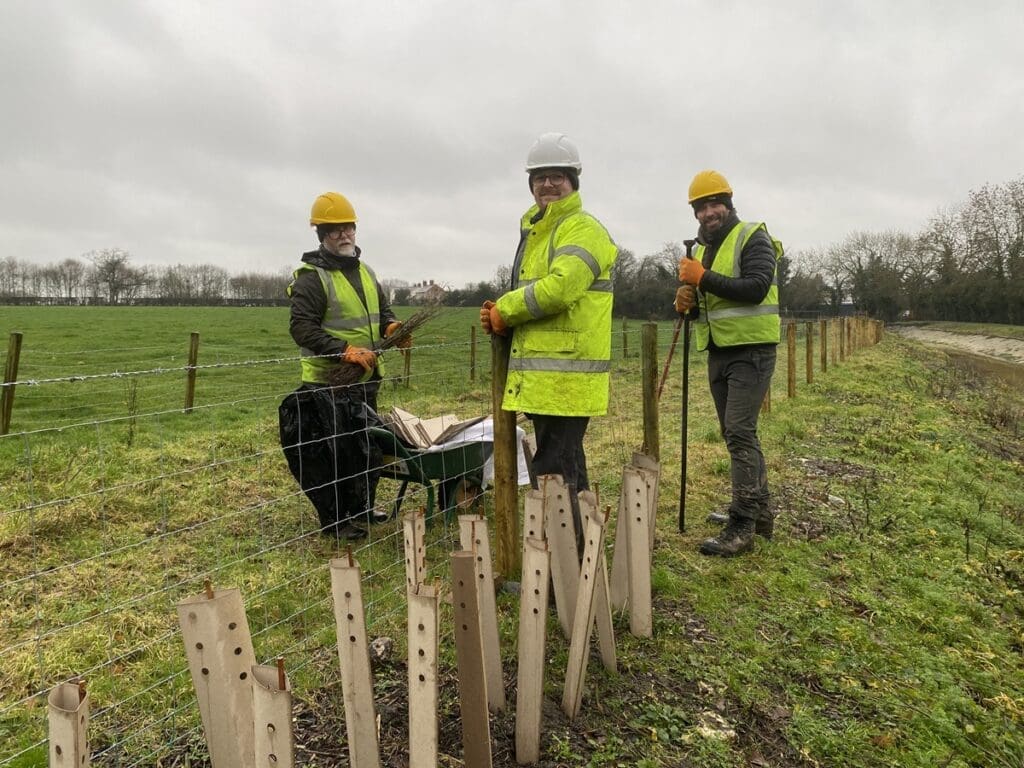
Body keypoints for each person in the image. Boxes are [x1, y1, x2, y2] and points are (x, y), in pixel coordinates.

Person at [480, 132, 618, 554]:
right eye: (540, 178)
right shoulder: (538, 232)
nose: (548, 185)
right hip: (549, 378)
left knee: (553, 473)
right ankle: (577, 560)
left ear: (574, 181)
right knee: (566, 469)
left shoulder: (582, 228)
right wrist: (507, 320)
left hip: (567, 378)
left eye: (558, 177)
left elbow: (560, 289)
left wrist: (505, 308)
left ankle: (562, 576)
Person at [279, 191, 409, 540]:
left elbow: (383, 312)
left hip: (365, 379)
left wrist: (392, 328)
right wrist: (343, 351)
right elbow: (301, 328)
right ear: (320, 235)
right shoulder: (311, 278)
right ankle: (336, 520)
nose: (343, 235)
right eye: (333, 230)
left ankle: (363, 506)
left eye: (347, 227)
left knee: (367, 447)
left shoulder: (366, 271)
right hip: (328, 383)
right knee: (336, 454)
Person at [675, 170, 781, 557]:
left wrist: (702, 278)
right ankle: (761, 512)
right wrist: (686, 304)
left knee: (738, 433)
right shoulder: (701, 250)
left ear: (729, 203)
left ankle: (742, 525)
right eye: (701, 207)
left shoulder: (754, 237)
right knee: (737, 433)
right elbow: (707, 302)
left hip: (752, 351)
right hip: (719, 350)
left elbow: (755, 288)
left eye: (715, 203)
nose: (708, 212)